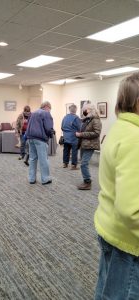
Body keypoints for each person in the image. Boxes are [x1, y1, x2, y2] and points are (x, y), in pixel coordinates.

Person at [94, 72, 139, 300]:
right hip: (129, 242)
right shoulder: (135, 138)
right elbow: (131, 211)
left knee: (107, 292)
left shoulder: (119, 128)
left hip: (111, 228)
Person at [26, 101, 54, 185]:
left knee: (32, 159)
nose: (50, 110)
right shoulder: (46, 113)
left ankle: (31, 179)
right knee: (43, 159)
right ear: (47, 107)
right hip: (40, 139)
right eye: (50, 108)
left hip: (30, 138)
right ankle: (45, 179)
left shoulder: (33, 113)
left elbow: (28, 125)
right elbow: (49, 128)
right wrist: (50, 135)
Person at [76, 103, 102, 190]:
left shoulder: (96, 120)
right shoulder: (88, 119)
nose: (84, 111)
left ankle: (87, 182)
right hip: (84, 144)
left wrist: (81, 134)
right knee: (83, 163)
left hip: (90, 145)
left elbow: (96, 133)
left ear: (90, 110)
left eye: (85, 110)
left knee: (84, 163)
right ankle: (86, 180)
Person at [61, 104, 81, 169]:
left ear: (70, 109)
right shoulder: (76, 118)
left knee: (66, 150)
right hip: (73, 137)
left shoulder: (65, 117)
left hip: (66, 136)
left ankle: (65, 163)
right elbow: (79, 128)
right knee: (74, 151)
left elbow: (62, 127)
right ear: (76, 110)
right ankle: (73, 165)